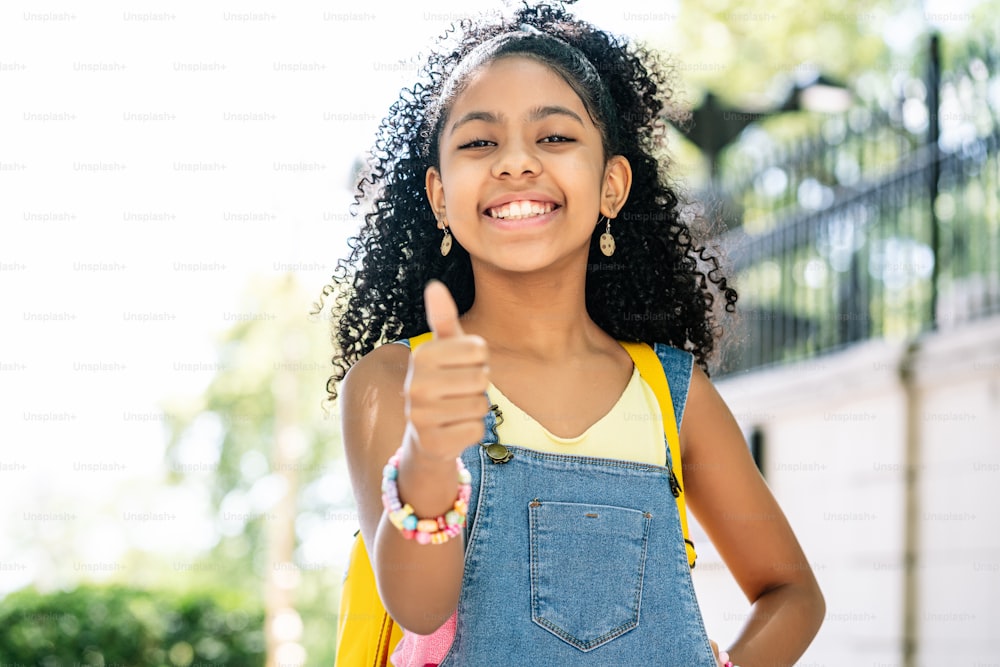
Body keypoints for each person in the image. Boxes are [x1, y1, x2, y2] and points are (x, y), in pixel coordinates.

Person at [325, 3, 825, 665]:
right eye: (479, 141)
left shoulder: (672, 395)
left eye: (555, 137)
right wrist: (428, 455)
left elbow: (792, 592)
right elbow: (419, 606)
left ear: (611, 185)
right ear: (440, 196)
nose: (515, 163)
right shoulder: (392, 383)